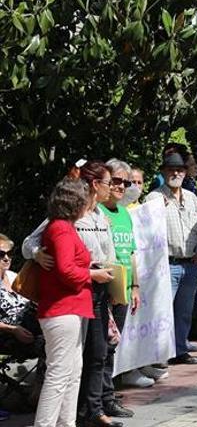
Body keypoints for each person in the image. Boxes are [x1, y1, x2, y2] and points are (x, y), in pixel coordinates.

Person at [27, 172, 118, 427]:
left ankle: (66, 423)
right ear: (75, 202)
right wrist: (93, 274)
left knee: (72, 373)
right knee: (59, 375)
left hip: (71, 308)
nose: (89, 203)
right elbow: (66, 270)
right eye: (85, 199)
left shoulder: (62, 228)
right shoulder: (61, 230)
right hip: (62, 309)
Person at [145, 153, 197, 365]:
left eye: (180, 170)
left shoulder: (192, 198)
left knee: (184, 311)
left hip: (190, 263)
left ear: (185, 173)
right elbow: (148, 231)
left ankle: (180, 349)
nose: (176, 173)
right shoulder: (154, 198)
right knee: (162, 311)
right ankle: (159, 354)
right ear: (164, 172)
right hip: (167, 264)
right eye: (171, 169)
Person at [95, 160, 142, 410]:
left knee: (112, 346)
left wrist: (135, 286)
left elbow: (132, 253)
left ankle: (108, 397)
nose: (123, 186)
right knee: (100, 348)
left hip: (123, 290)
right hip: (104, 291)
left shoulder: (124, 213)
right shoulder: (96, 212)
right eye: (117, 181)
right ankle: (100, 401)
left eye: (127, 182)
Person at [0, 234, 43, 362]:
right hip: (8, 334)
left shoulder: (14, 277)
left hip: (31, 325)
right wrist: (13, 330)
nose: (7, 258)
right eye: (1, 254)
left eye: (10, 253)